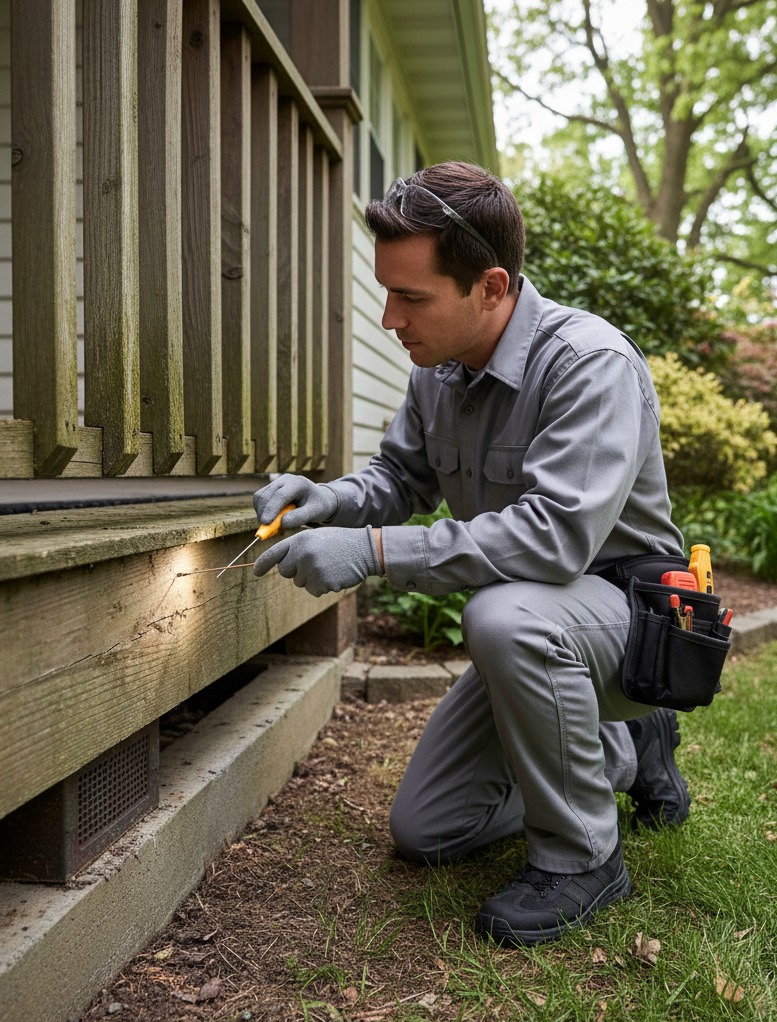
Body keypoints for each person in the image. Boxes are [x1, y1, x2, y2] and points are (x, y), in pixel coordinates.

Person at [251, 161, 691, 946]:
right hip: (539, 630)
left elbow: (552, 539)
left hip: (628, 622)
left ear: (490, 287)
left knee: (505, 614)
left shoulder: (590, 364)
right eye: (387, 292)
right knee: (428, 829)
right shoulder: (439, 372)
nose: (390, 317)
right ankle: (623, 748)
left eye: (411, 297)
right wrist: (332, 500)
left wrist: (373, 551)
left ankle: (585, 856)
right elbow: (400, 476)